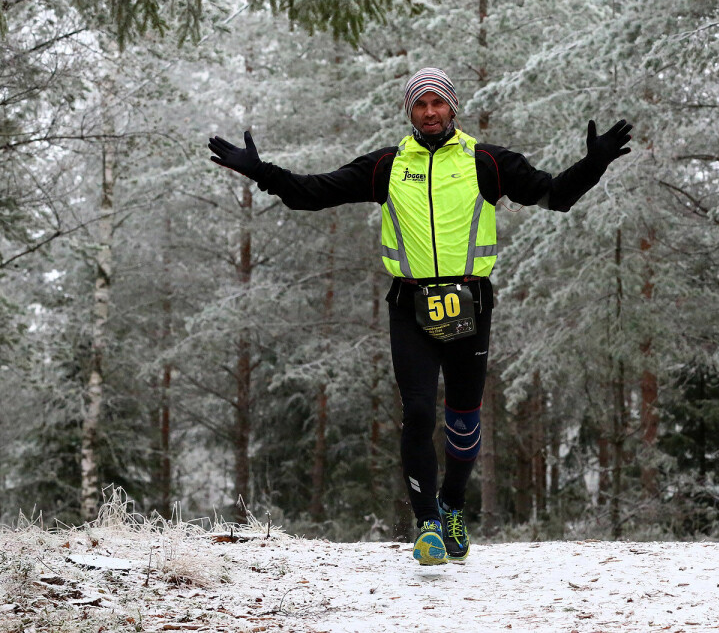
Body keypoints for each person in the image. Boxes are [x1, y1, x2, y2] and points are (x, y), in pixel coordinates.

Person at [208, 67, 632, 565]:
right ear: (409, 111)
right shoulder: (388, 165)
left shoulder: (487, 162)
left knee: (463, 418)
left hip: (470, 303)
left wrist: (593, 164)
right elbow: (313, 193)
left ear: (453, 108)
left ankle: (453, 506)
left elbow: (554, 195)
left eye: (437, 103)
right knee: (417, 413)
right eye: (419, 104)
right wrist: (262, 171)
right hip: (410, 305)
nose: (429, 112)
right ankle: (427, 522)